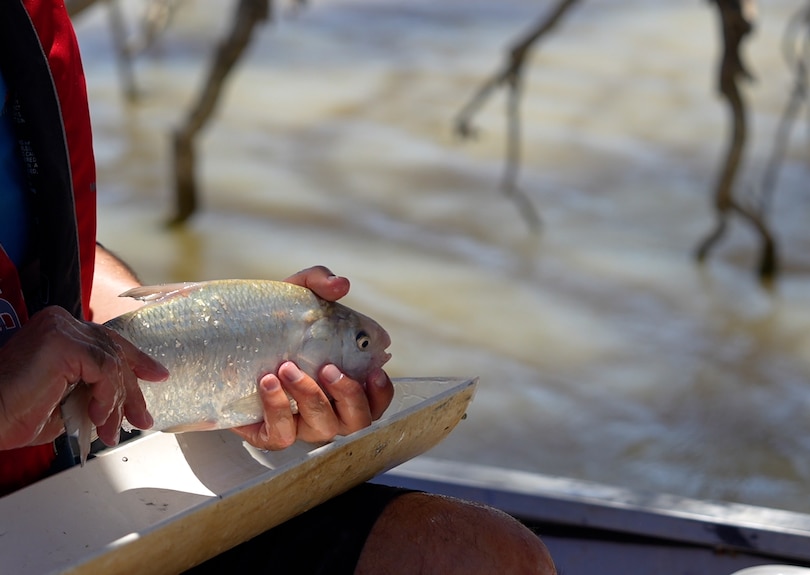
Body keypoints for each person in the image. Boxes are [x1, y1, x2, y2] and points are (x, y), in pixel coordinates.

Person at [0, 1, 557, 573]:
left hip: (76, 470)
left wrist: (207, 328)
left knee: (493, 560)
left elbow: (53, 254)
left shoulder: (30, 18)